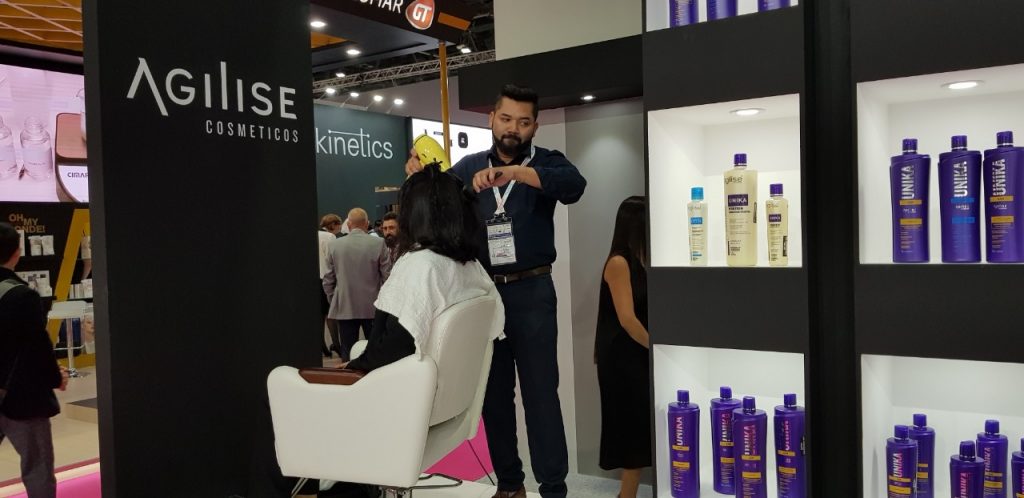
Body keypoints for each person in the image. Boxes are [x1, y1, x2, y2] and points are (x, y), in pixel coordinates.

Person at [247, 166, 503, 498]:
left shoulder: (420, 265)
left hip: (397, 407)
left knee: (277, 389)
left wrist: (351, 370)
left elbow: (397, 343)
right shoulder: (470, 268)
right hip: (438, 410)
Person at [405, 83, 586, 498]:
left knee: (541, 394)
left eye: (523, 122)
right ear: (491, 119)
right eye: (505, 119)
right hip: (482, 294)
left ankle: (553, 488)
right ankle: (509, 484)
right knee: (493, 395)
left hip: (533, 292)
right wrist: (419, 178)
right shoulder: (468, 167)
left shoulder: (547, 162)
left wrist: (517, 174)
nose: (512, 129)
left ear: (535, 127)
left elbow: (575, 186)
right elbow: (435, 207)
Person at [0, 222, 69, 498]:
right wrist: (55, 377)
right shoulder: (22, 296)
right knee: (37, 468)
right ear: (17, 252)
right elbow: (37, 346)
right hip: (21, 397)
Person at [595, 197, 651, 498]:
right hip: (623, 359)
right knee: (632, 431)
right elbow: (627, 319)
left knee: (639, 429)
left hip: (636, 354)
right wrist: (657, 349)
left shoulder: (641, 262)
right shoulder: (619, 263)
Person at [323, 208, 383, 361]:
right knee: (374, 351)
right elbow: (387, 276)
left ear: (348, 224)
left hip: (345, 306)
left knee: (348, 352)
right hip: (374, 307)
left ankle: (349, 373)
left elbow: (328, 279)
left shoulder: (335, 245)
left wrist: (334, 299)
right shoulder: (379, 243)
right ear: (367, 224)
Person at [318, 214, 343, 358]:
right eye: (339, 224)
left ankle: (321, 344)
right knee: (331, 313)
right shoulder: (330, 237)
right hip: (326, 278)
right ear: (333, 224)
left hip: (314, 279)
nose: (340, 228)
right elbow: (332, 259)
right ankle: (336, 344)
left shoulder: (316, 235)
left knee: (320, 315)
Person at [378, 212, 399, 283]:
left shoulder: (407, 251)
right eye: (385, 228)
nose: (388, 232)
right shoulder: (384, 250)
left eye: (391, 228)